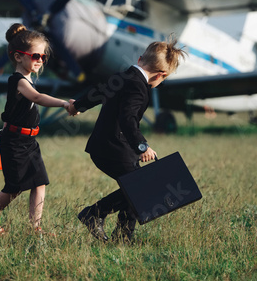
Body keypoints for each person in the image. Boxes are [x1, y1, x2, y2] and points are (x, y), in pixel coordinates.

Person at [68, 37, 185, 242]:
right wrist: (142, 146)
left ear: (140, 59)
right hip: (114, 149)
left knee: (136, 188)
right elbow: (128, 119)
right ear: (161, 75)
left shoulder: (122, 76)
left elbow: (97, 93)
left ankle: (123, 237)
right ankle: (94, 214)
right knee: (142, 188)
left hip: (103, 148)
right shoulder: (139, 87)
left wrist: (77, 106)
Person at [0, 23, 71, 235]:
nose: (40, 60)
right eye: (35, 56)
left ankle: (35, 227)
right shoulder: (18, 81)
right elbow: (37, 98)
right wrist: (64, 103)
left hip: (30, 142)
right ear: (18, 57)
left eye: (43, 57)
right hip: (14, 142)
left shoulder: (28, 78)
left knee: (40, 183)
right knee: (14, 187)